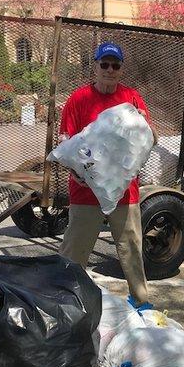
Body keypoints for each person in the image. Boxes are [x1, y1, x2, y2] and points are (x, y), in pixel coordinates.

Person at [58, 42, 157, 306]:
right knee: (74, 250)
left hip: (125, 193)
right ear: (95, 66)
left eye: (115, 65)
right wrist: (75, 171)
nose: (110, 70)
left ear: (121, 69)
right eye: (104, 64)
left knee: (132, 247)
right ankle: (63, 299)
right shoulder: (79, 100)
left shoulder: (131, 99)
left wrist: (144, 129)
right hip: (85, 191)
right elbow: (66, 141)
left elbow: (149, 138)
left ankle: (141, 300)